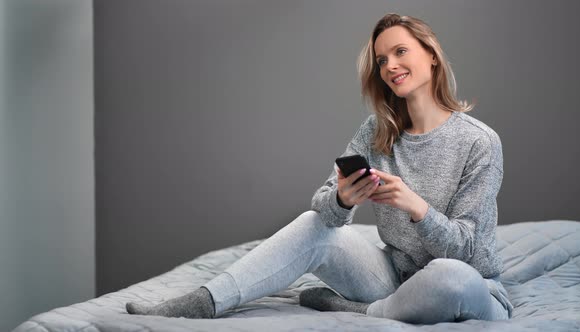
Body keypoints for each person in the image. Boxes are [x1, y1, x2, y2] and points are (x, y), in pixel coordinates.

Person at [126, 12, 513, 324]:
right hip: (394, 281)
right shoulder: (376, 133)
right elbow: (322, 203)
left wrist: (417, 208)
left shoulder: (479, 142)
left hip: (469, 285)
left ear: (431, 53)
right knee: (316, 224)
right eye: (382, 60)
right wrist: (342, 201)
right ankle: (204, 301)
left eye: (400, 52)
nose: (390, 66)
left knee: (450, 277)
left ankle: (360, 312)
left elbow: (471, 253)